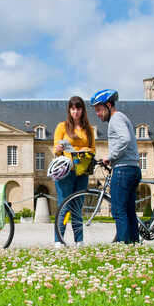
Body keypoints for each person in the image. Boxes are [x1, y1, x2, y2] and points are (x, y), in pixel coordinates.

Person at [90, 89, 141, 244]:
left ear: (109, 105)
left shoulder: (116, 119)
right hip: (133, 168)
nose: (97, 114)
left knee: (119, 210)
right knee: (129, 210)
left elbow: (124, 139)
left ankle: (124, 247)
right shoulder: (121, 117)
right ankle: (134, 244)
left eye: (99, 110)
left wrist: (110, 157)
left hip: (123, 170)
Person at [51, 95, 95, 246]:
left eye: (78, 108)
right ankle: (59, 241)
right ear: (69, 110)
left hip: (82, 171)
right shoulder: (62, 127)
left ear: (82, 110)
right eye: (73, 108)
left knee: (77, 207)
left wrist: (86, 149)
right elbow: (56, 151)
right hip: (66, 171)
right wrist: (57, 149)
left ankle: (79, 241)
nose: (75, 112)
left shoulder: (88, 129)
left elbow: (93, 149)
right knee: (64, 206)